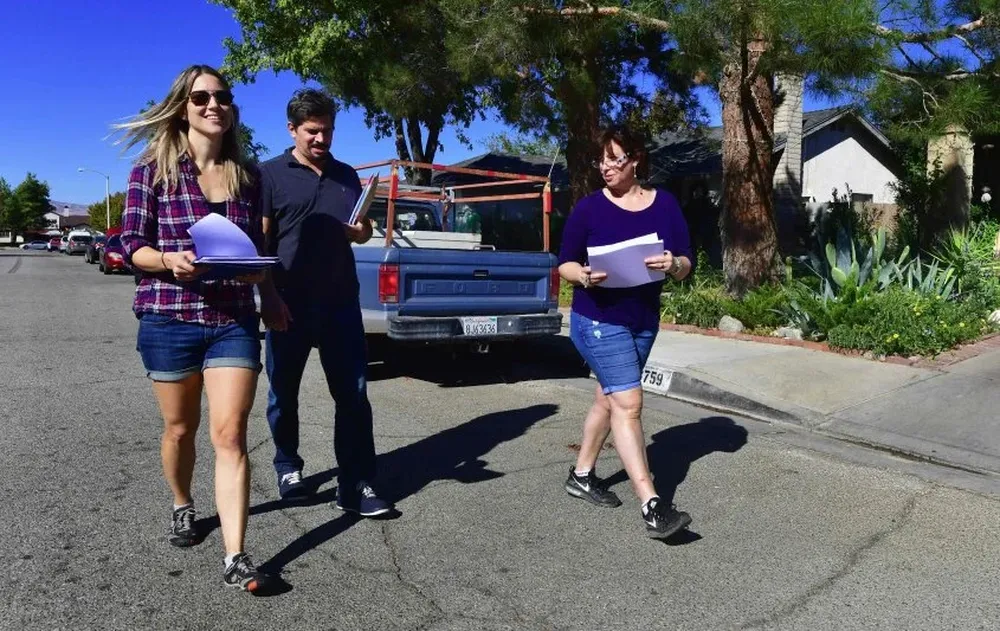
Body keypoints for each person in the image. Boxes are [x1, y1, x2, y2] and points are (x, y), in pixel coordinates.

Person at [116, 65, 270, 592]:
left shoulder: (247, 178)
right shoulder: (151, 172)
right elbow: (128, 245)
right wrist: (167, 259)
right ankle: (183, 503)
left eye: (223, 97)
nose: (214, 105)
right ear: (183, 106)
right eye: (202, 97)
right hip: (168, 314)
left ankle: (236, 556)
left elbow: (253, 253)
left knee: (230, 434)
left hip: (233, 320)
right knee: (181, 429)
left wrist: (267, 290)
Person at [257, 89, 392, 517]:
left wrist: (362, 231)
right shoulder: (269, 175)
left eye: (328, 130)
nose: (321, 139)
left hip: (340, 304)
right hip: (288, 303)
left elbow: (364, 229)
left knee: (353, 396)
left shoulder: (347, 175)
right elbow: (261, 242)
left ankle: (356, 482)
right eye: (313, 131)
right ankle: (288, 466)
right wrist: (268, 297)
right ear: (292, 129)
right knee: (283, 395)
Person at [557, 124, 695, 540]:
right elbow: (563, 263)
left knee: (609, 397)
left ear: (635, 160)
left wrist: (672, 264)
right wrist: (582, 275)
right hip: (596, 319)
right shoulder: (588, 208)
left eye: (614, 159)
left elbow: (686, 264)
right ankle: (652, 505)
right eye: (601, 160)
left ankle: (581, 476)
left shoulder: (665, 205)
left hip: (642, 321)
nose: (605, 167)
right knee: (629, 403)